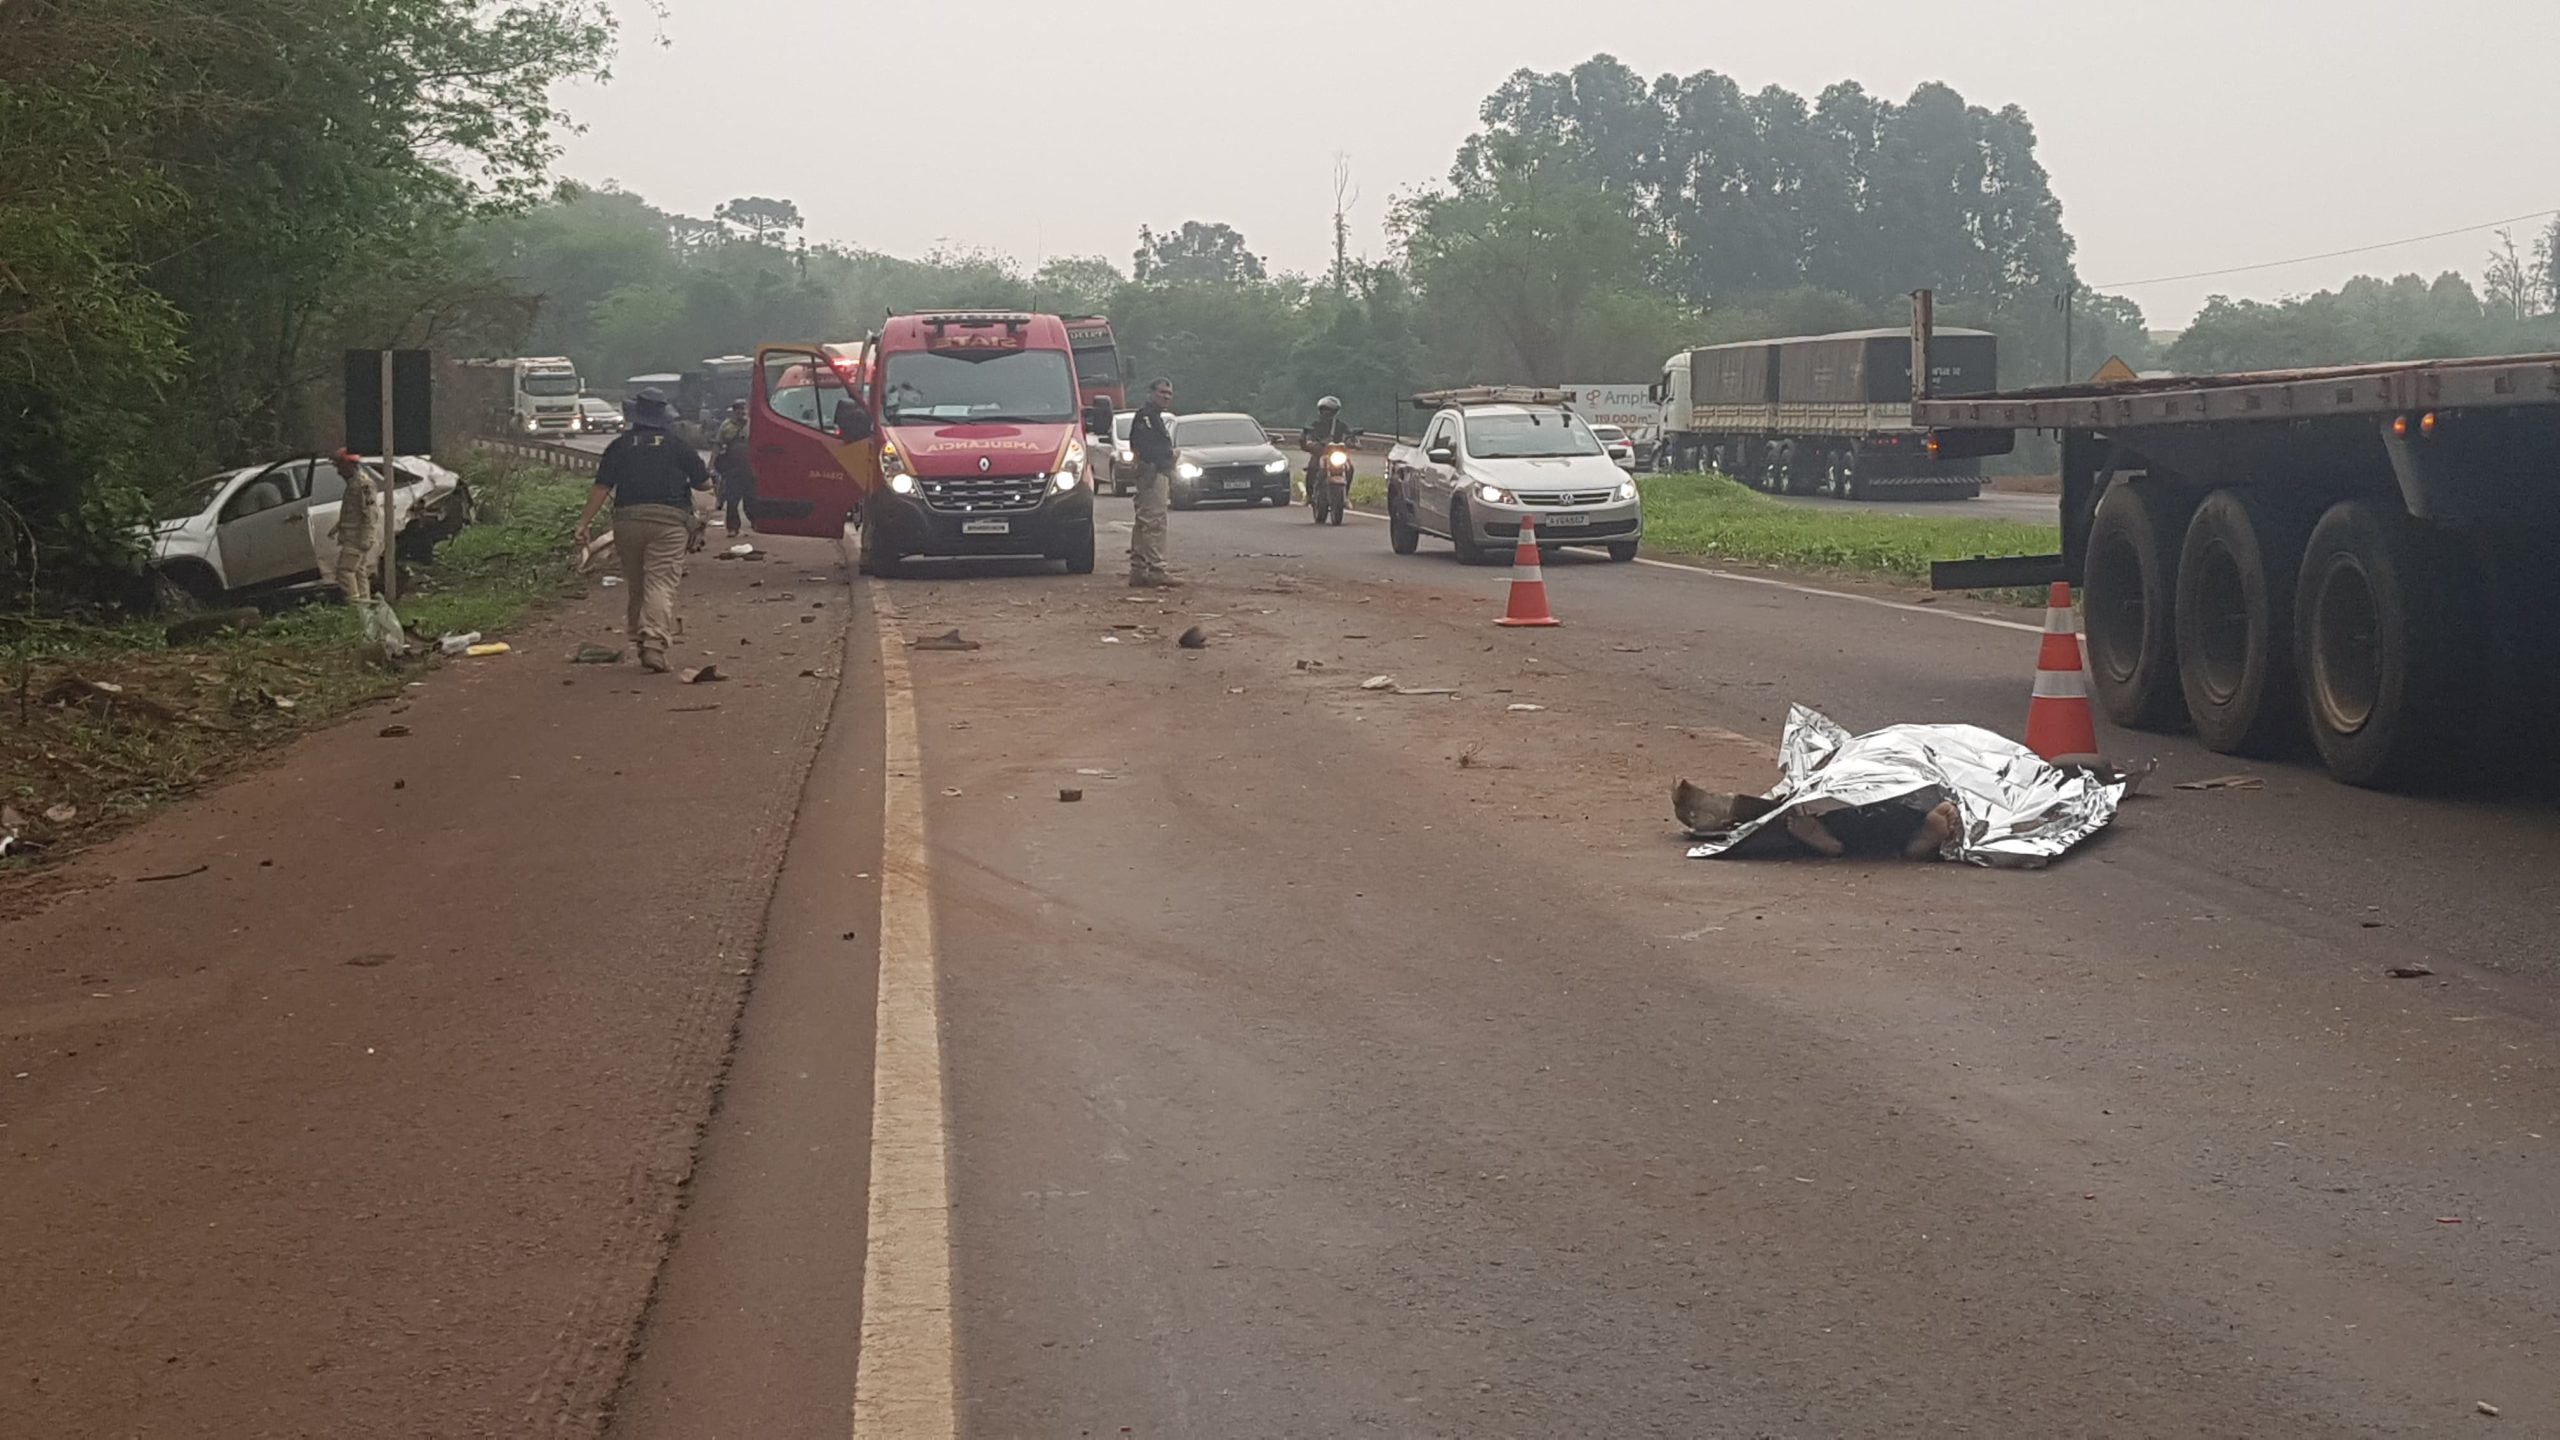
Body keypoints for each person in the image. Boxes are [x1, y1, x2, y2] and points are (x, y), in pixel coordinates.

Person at [573, 388, 712, 673]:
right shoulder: (677, 444)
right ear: (664, 416)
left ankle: (639, 636)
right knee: (660, 582)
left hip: (627, 521)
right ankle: (653, 643)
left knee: (638, 583)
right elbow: (704, 485)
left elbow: (602, 487)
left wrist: (584, 523)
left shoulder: (620, 445)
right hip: (670, 523)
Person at [1126, 376, 1180, 588]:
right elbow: (1148, 448)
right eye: (1162, 393)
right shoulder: (1147, 417)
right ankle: (1157, 569)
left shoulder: (1155, 417)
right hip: (1152, 473)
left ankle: (1138, 568)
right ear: (1151, 393)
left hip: (1153, 472)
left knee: (1143, 523)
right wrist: (1170, 456)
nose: (1166, 397)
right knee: (1154, 522)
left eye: (1169, 394)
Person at [327, 450, 382, 605]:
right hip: (352, 537)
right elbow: (353, 513)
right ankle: (365, 604)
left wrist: (367, 538)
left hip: (357, 539)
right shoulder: (353, 484)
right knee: (359, 571)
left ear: (349, 465)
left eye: (340, 466)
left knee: (345, 571)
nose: (338, 471)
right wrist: (337, 528)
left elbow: (370, 514)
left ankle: (355, 605)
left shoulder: (363, 485)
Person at [712, 400, 755, 537]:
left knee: (751, 498)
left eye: (743, 410)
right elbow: (717, 445)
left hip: (751, 467)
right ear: (734, 412)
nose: (741, 413)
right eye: (738, 410)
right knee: (732, 498)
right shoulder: (726, 426)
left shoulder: (753, 424)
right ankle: (732, 528)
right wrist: (711, 465)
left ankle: (756, 523)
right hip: (732, 468)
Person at [1299, 394, 1353, 501]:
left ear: (1335, 412)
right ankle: (1309, 495)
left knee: (1350, 468)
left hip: (1337, 454)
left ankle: (1345, 495)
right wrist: (1309, 442)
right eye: (1324, 410)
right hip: (1320, 454)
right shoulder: (1314, 425)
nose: (1327, 413)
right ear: (1320, 411)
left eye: (1330, 411)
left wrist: (1352, 442)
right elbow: (1307, 438)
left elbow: (1349, 436)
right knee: (1312, 467)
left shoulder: (1341, 425)